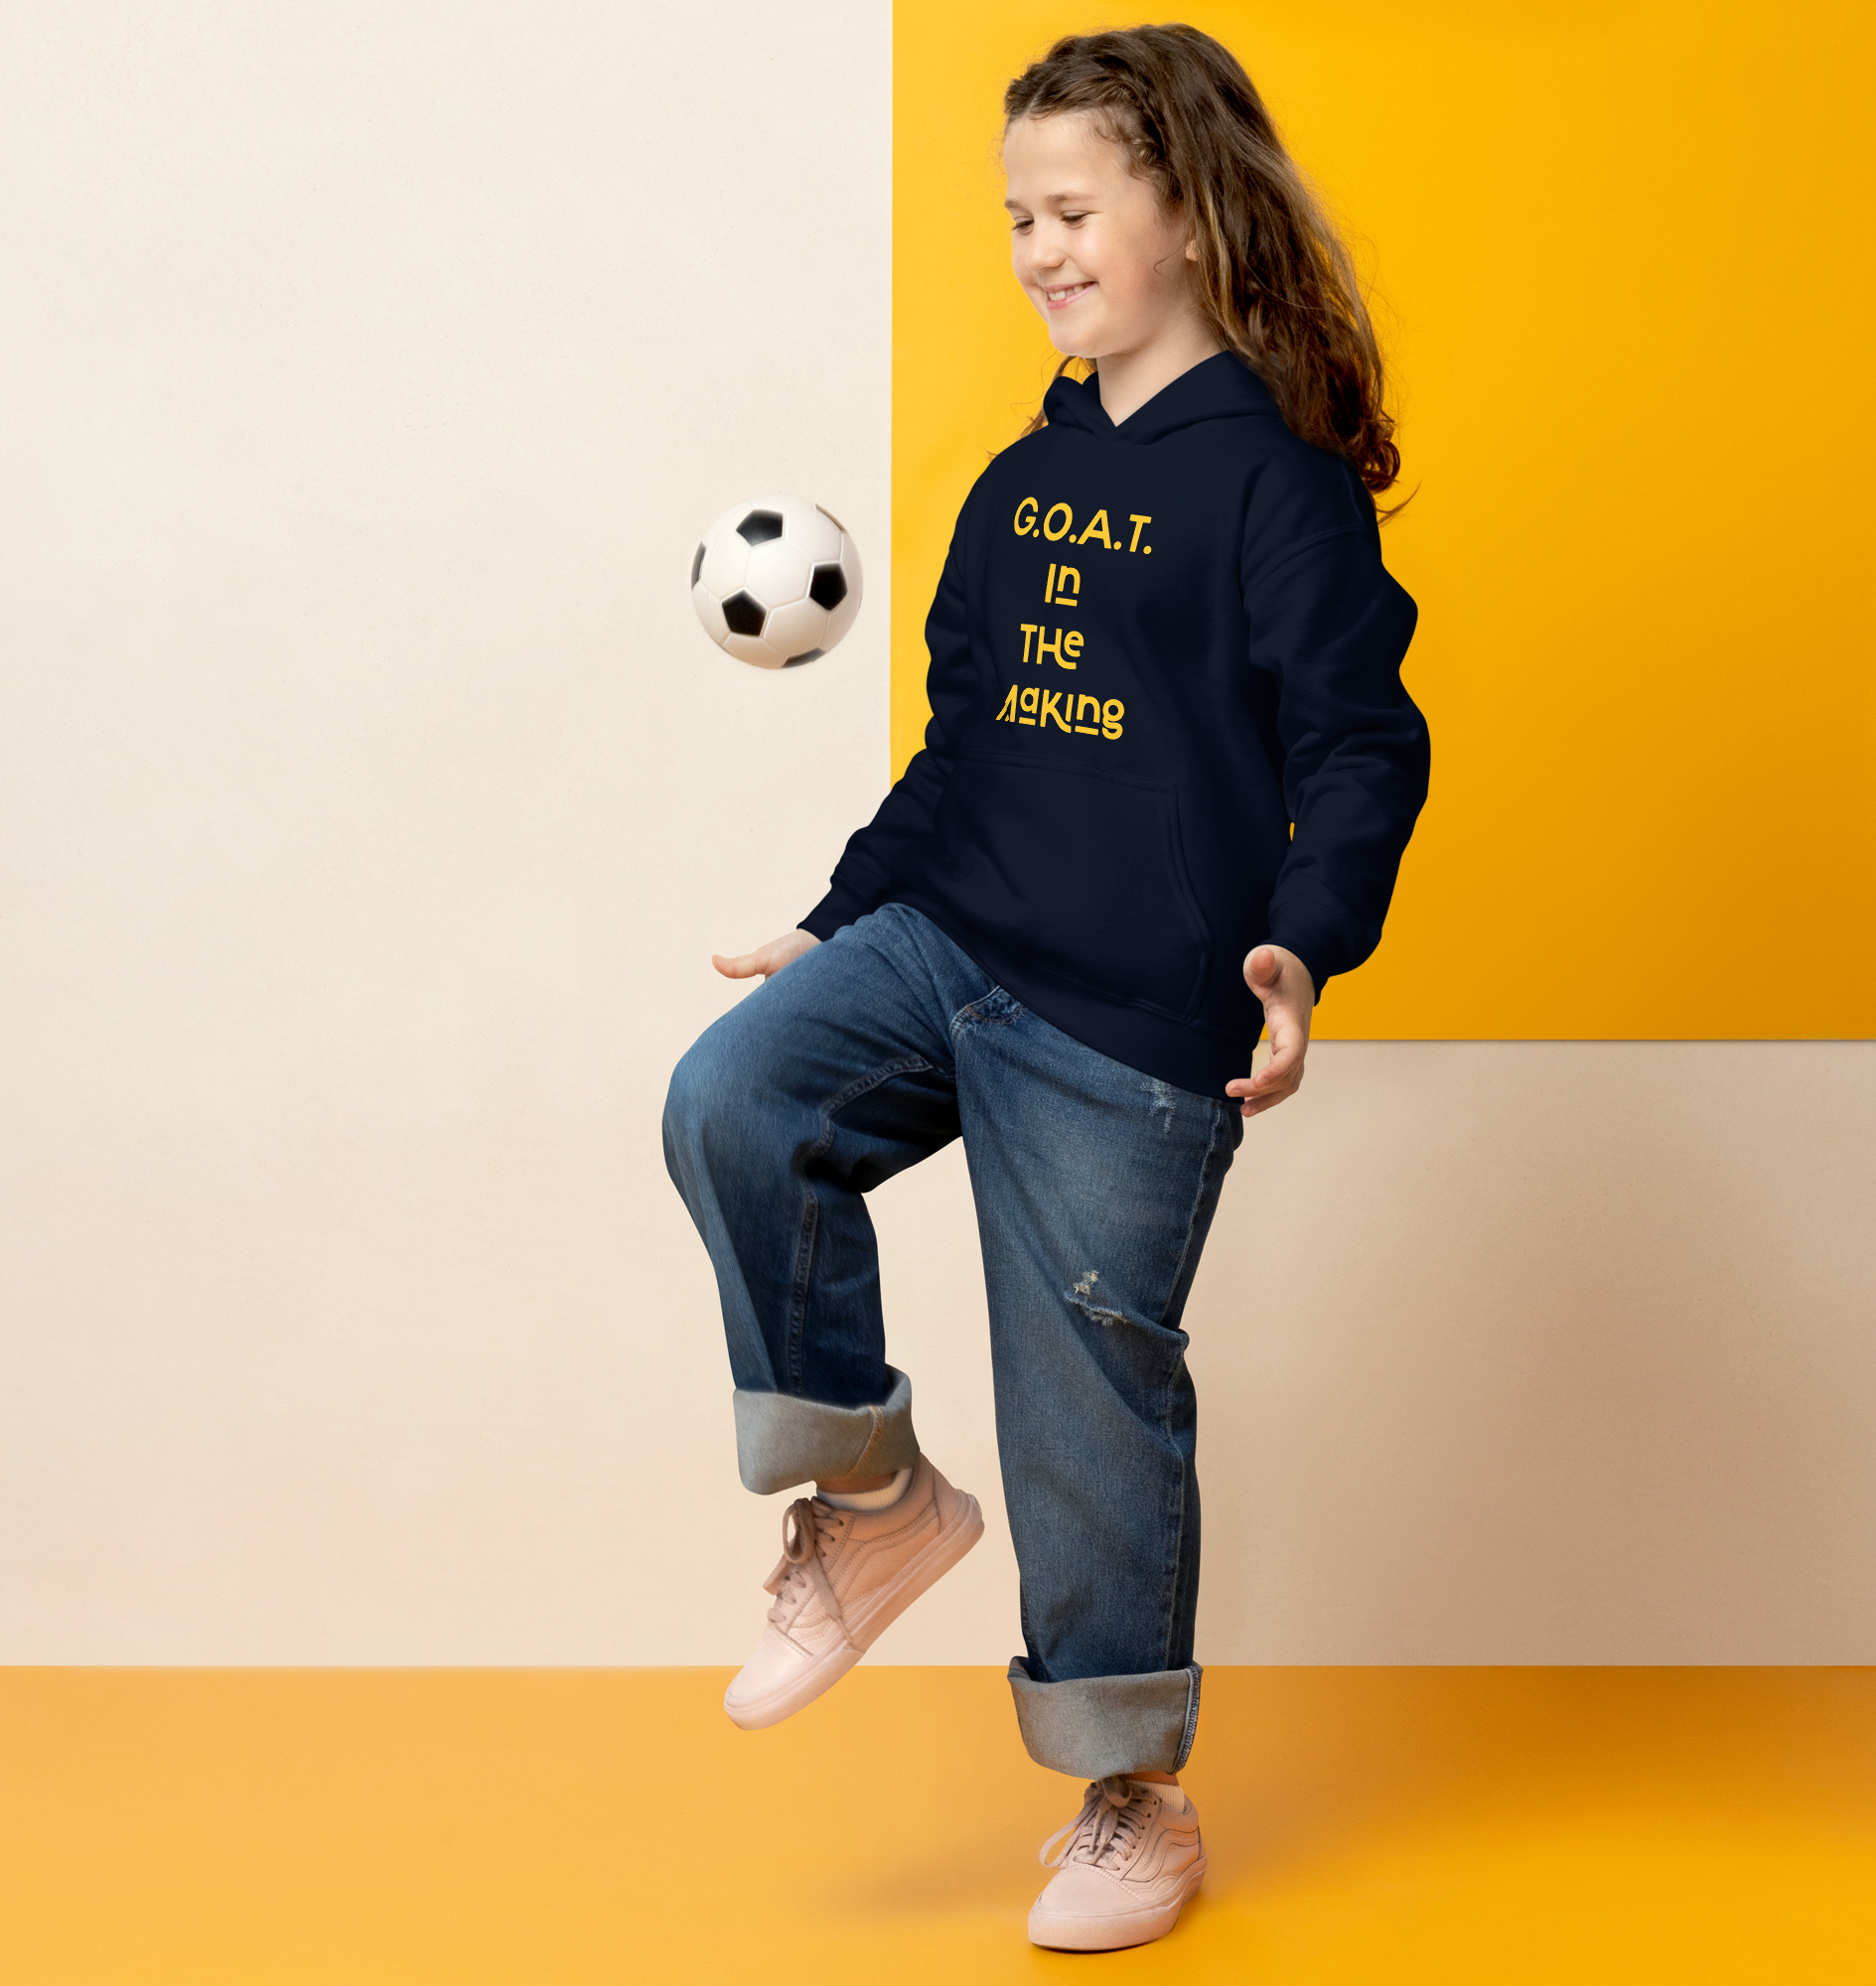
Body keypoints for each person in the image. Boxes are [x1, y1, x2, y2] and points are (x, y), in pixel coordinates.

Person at [663, 23, 1427, 1952]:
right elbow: (963, 752)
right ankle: (870, 1500)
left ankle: (1129, 1799)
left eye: (1074, 208)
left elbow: (1360, 741)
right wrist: (843, 919)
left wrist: (1300, 934)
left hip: (1128, 1019)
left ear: (1188, 209)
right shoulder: (1018, 484)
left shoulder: (1275, 484)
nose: (1038, 245)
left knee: (1085, 1400)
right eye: (1017, 215)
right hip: (953, 946)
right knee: (732, 1099)